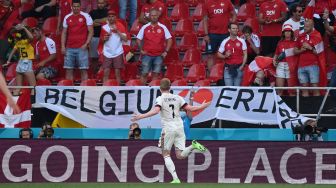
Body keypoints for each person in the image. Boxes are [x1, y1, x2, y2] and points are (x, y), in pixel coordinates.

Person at [131, 78, 211, 183]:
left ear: (160, 88)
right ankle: (193, 145)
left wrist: (141, 116)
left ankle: (176, 179)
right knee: (180, 155)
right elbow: (190, 109)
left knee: (166, 154)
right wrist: (202, 106)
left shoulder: (160, 98)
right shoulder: (178, 98)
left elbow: (156, 111)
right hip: (179, 127)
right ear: (170, 88)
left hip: (168, 128)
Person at [136, 8, 172, 85]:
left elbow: (169, 39)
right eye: (152, 15)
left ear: (158, 16)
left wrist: (166, 51)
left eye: (155, 15)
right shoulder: (145, 27)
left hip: (159, 55)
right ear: (149, 17)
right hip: (147, 55)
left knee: (156, 74)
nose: (154, 17)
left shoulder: (163, 27)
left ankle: (153, 92)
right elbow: (138, 39)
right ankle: (142, 91)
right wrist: (141, 50)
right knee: (144, 73)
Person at [61, 0, 93, 81]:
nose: (76, 8)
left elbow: (91, 31)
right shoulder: (67, 17)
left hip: (82, 48)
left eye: (77, 6)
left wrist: (86, 43)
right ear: (71, 7)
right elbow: (64, 33)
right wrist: (62, 46)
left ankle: (85, 90)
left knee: (83, 70)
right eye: (74, 6)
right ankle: (69, 91)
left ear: (80, 6)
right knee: (69, 70)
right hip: (69, 48)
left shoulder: (86, 16)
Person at [203, 0, 236, 71]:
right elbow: (205, 19)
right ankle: (212, 76)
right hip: (212, 34)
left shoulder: (227, 2)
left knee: (227, 54)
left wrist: (232, 22)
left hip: (225, 34)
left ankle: (226, 74)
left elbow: (234, 14)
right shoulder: (207, 3)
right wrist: (206, 34)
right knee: (210, 55)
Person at [294, 19, 324, 96]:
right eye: (304, 26)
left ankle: (317, 107)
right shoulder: (301, 36)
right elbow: (295, 51)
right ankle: (305, 107)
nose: (305, 28)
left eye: (307, 27)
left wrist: (310, 47)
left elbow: (319, 52)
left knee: (315, 87)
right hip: (301, 66)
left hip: (313, 65)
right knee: (304, 88)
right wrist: (301, 50)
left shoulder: (317, 35)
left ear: (312, 26)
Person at [4, 24, 36, 95]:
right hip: (27, 63)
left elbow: (12, 52)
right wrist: (24, 28)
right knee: (33, 87)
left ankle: (13, 105)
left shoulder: (18, 43)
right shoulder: (26, 42)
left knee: (18, 88)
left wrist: (8, 61)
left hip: (20, 64)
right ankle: (33, 105)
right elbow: (31, 37)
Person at [99, 10, 127, 84]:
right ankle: (104, 89)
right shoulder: (104, 27)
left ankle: (117, 90)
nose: (111, 18)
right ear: (107, 18)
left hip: (118, 52)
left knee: (117, 73)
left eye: (112, 16)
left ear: (115, 17)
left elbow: (125, 39)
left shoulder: (120, 26)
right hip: (107, 52)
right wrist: (104, 39)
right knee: (106, 72)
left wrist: (117, 31)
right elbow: (101, 41)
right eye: (109, 17)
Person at [273, 24, 298, 95]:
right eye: (286, 31)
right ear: (283, 33)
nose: (287, 32)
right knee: (279, 90)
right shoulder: (280, 43)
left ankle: (292, 106)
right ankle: (279, 106)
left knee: (292, 91)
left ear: (292, 32)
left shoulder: (296, 42)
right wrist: (274, 61)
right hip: (280, 65)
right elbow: (276, 54)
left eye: (289, 31)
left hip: (291, 66)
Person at [89, 0, 108, 74]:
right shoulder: (92, 12)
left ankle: (102, 74)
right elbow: (91, 24)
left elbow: (108, 21)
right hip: (95, 37)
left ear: (105, 3)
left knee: (106, 58)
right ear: (97, 4)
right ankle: (94, 74)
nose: (100, 4)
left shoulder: (108, 12)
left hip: (106, 38)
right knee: (94, 58)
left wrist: (97, 21)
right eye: (99, 3)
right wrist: (103, 22)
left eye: (102, 3)